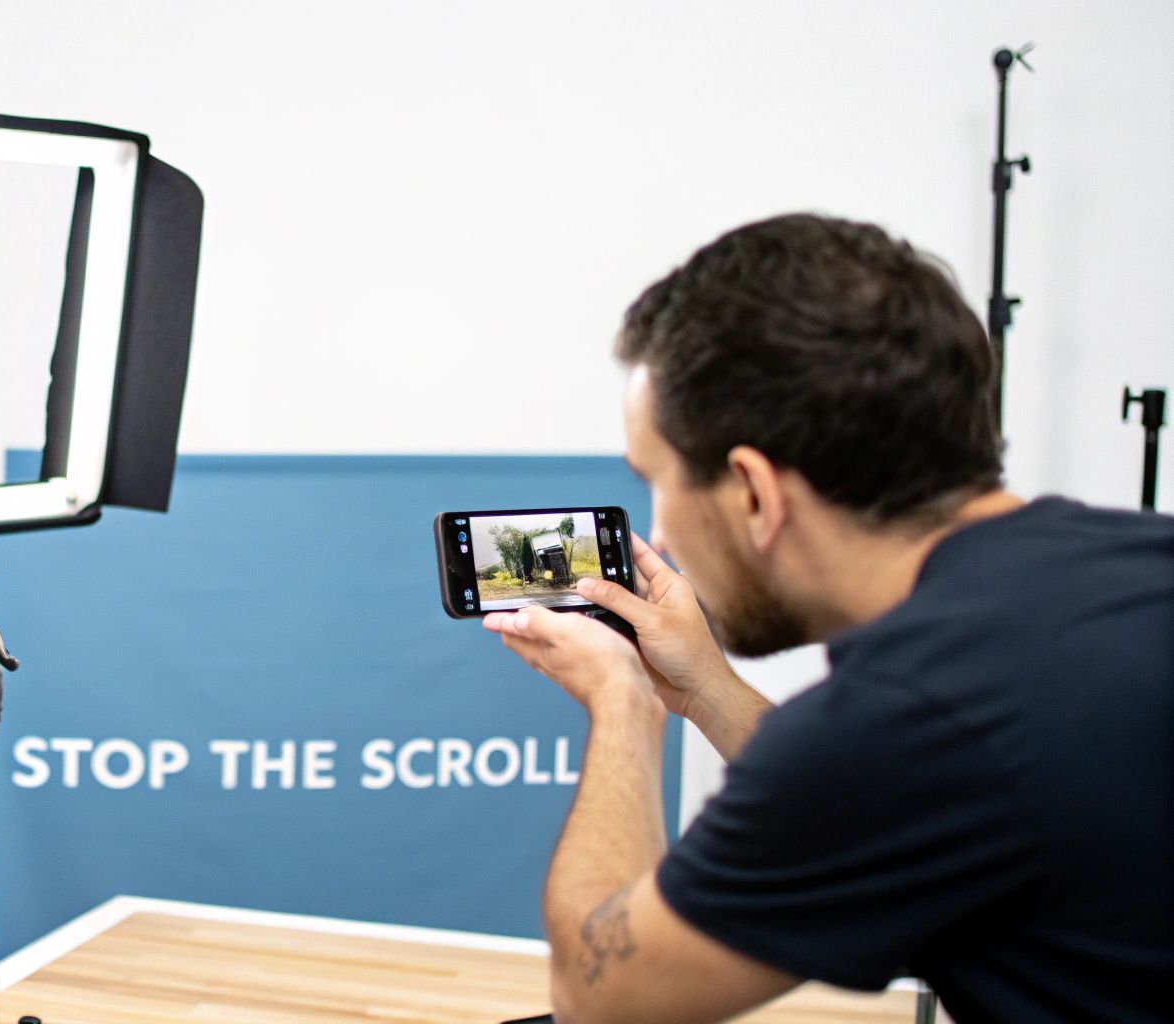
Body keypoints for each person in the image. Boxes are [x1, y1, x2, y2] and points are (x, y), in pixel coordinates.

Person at [483, 213, 1173, 1023]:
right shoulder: (1136, 565)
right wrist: (704, 686)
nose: (660, 532)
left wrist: (623, 698)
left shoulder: (910, 714)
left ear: (754, 492)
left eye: (659, 480)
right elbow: (890, 794)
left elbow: (602, 1001)